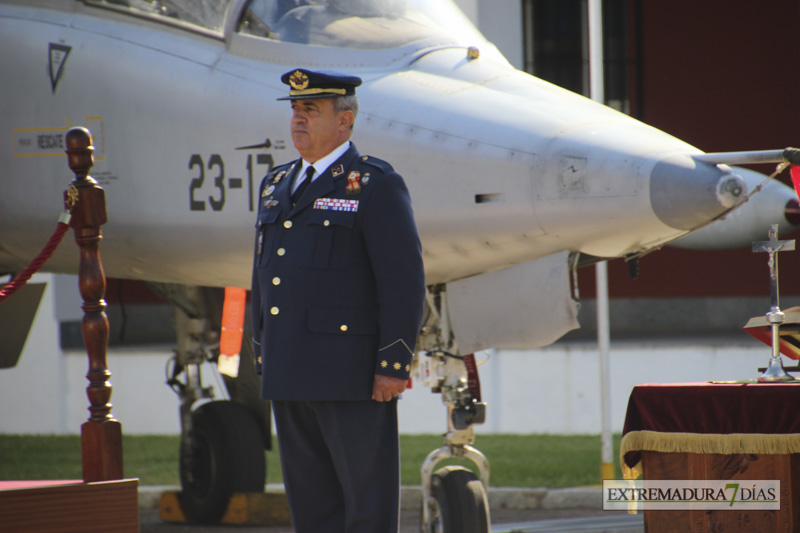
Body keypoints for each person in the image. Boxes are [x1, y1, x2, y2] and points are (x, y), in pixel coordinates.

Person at [250, 68, 426, 533]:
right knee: (312, 510)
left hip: (350, 374)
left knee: (366, 509)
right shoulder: (276, 184)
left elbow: (403, 284)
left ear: (344, 121)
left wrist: (393, 365)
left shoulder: (374, 184)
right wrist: (264, 351)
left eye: (311, 109)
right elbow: (263, 276)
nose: (298, 118)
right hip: (290, 370)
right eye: (294, 109)